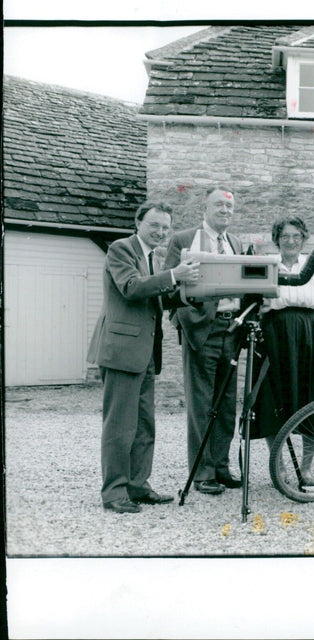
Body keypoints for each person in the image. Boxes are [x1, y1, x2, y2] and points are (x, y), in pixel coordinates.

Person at [88, 200, 200, 513]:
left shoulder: (153, 257)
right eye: (154, 225)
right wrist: (174, 275)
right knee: (120, 426)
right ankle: (113, 493)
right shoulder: (121, 249)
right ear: (139, 222)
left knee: (144, 425)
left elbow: (157, 297)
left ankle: (137, 486)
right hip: (122, 351)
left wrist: (194, 292)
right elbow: (132, 288)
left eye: (166, 227)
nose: (160, 232)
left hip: (145, 351)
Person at [163, 185, 244, 495]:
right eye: (219, 206)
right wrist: (187, 320)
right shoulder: (184, 240)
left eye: (229, 207)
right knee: (201, 403)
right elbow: (168, 288)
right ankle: (202, 471)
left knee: (226, 404)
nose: (224, 211)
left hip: (231, 330)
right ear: (206, 208)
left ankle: (221, 466)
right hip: (201, 331)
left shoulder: (235, 242)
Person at [250, 216, 314, 481]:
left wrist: (306, 332)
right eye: (285, 236)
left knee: (311, 397)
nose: (291, 241)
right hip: (275, 333)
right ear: (277, 240)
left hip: (307, 333)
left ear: (303, 238)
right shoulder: (269, 265)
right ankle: (281, 466)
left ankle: (306, 468)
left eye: (296, 236)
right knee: (274, 397)